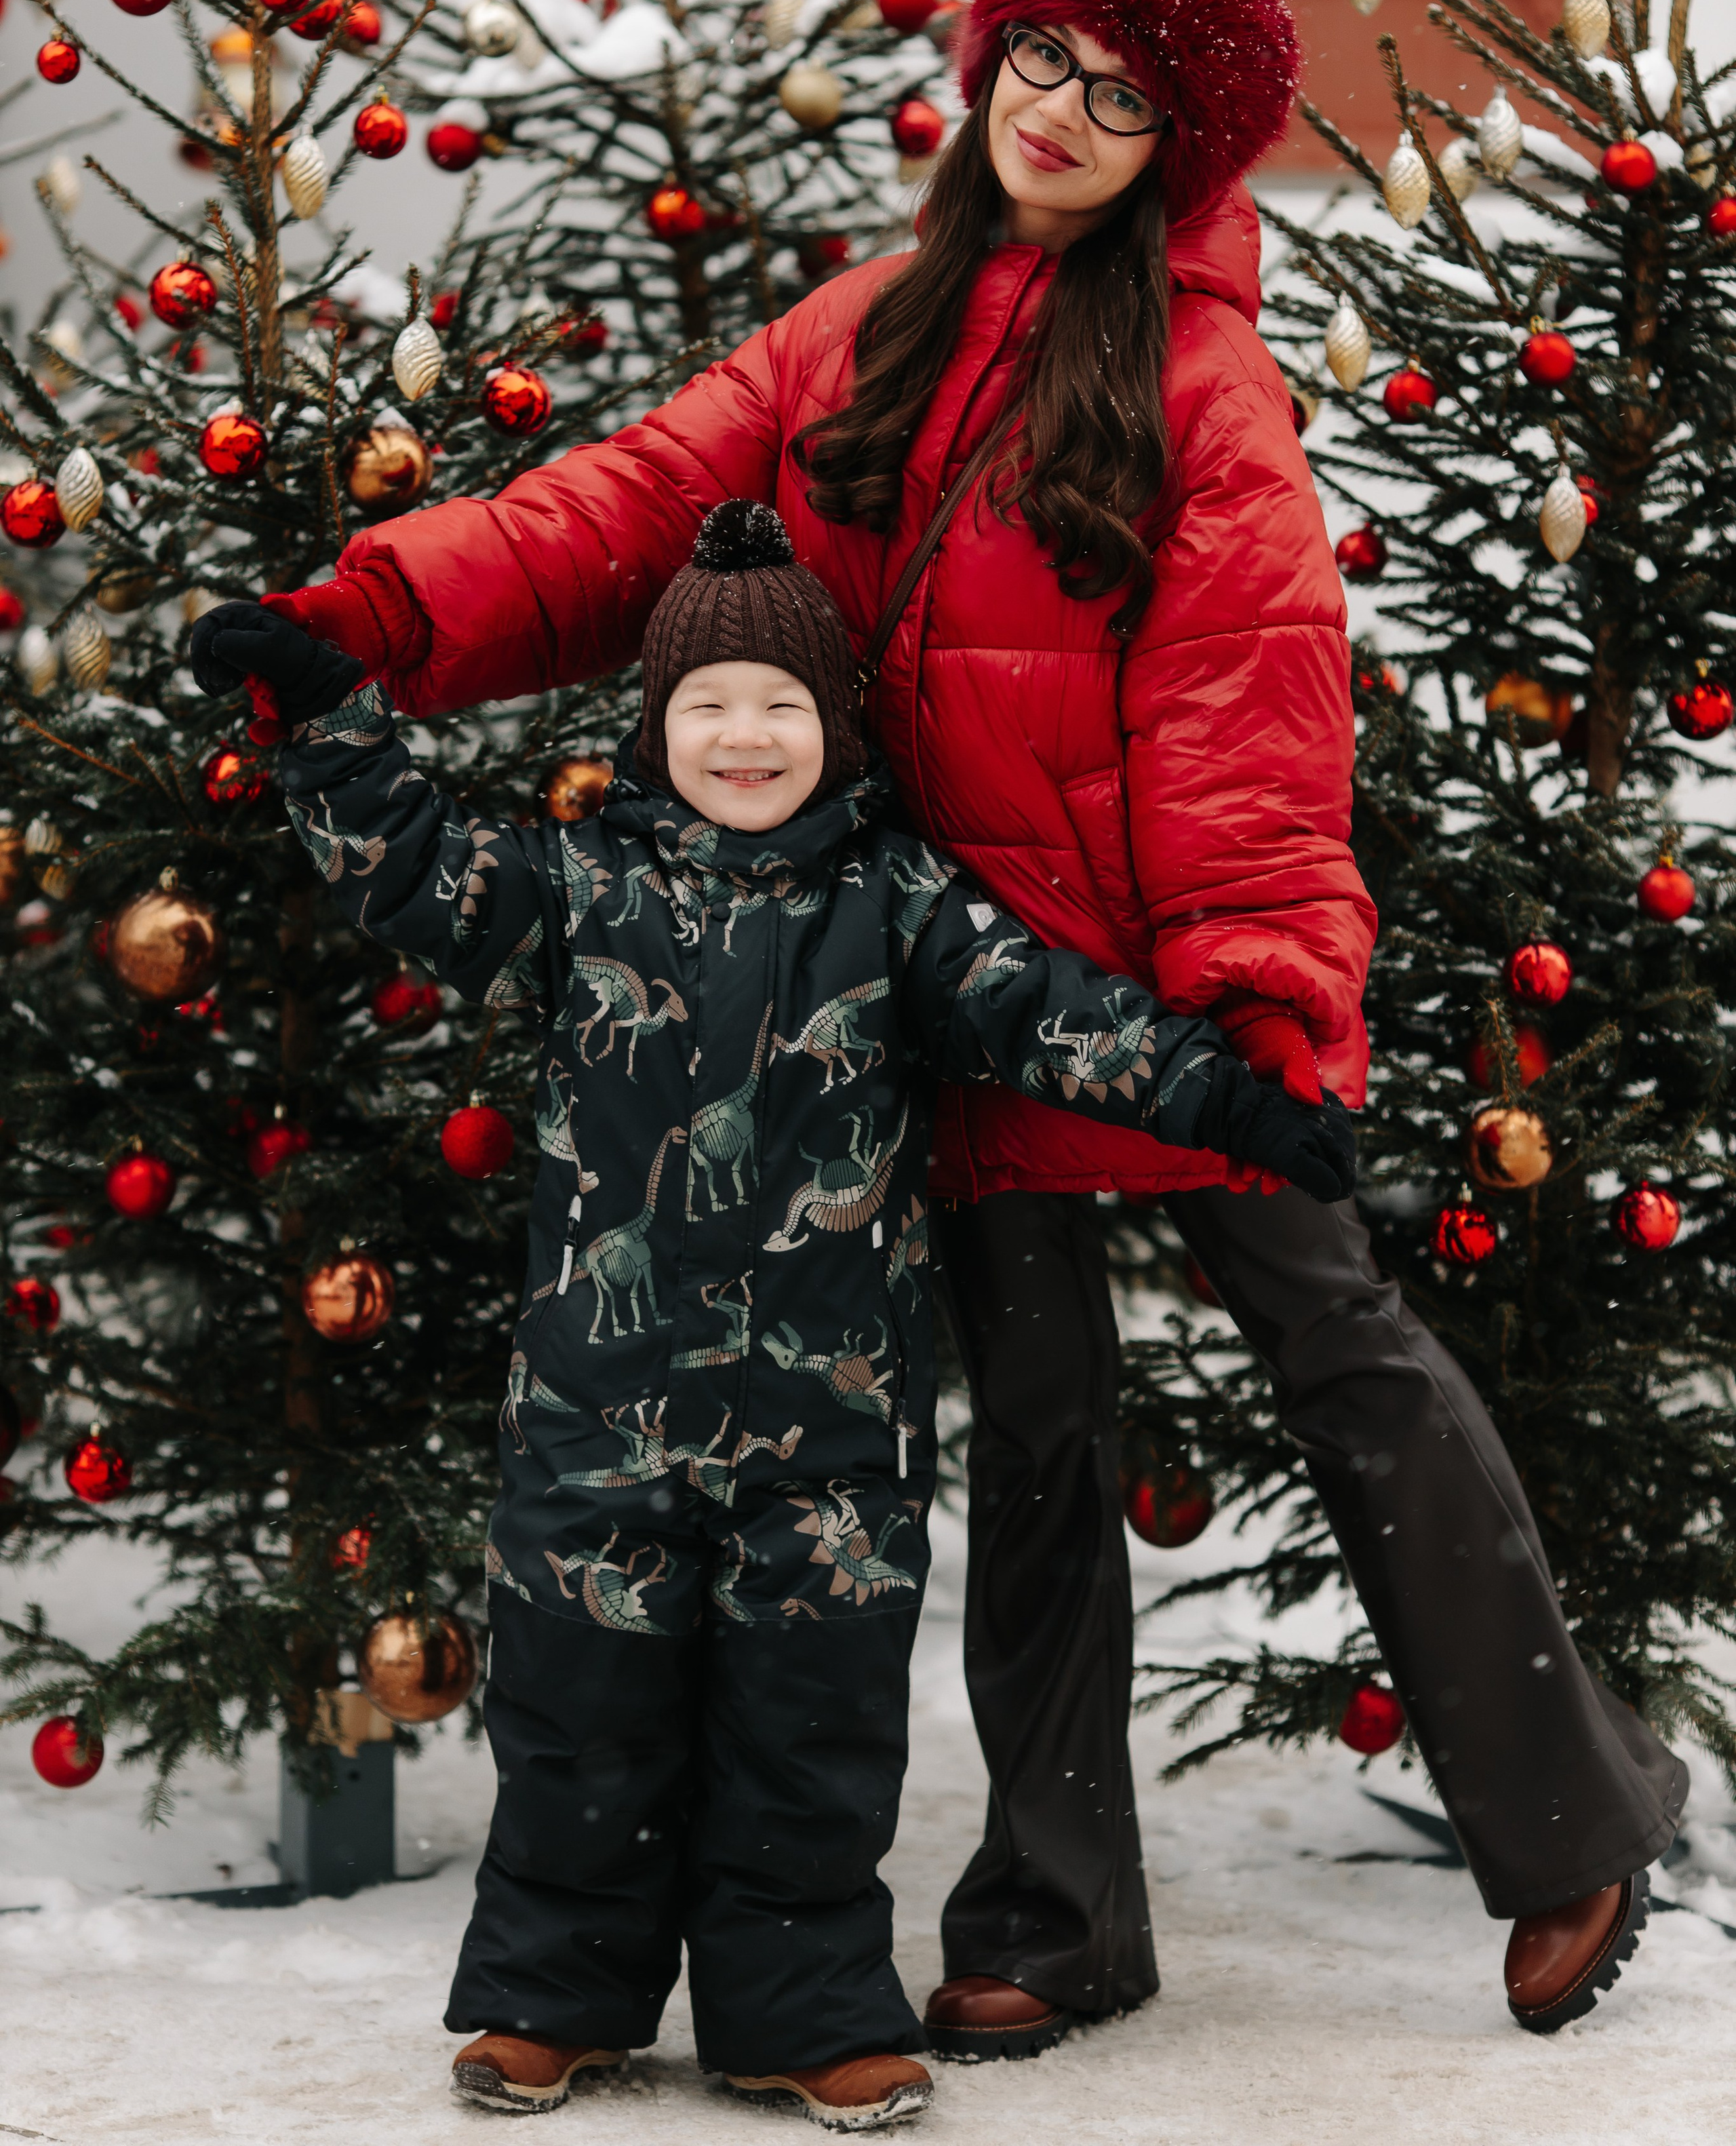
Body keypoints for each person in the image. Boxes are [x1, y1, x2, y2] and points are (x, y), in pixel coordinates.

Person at [259, 0, 1686, 2046]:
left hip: (1166, 1006)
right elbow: (630, 513)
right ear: (991, 59)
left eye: (1123, 96)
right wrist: (374, 614)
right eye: (1045, 58)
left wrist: (1262, 997)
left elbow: (1250, 704)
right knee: (1032, 1440)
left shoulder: (1204, 383)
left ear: (1173, 150)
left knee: (1353, 1364)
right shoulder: (866, 329)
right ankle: (1052, 1914)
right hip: (941, 985)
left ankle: (1572, 1824)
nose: (1064, 110)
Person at [193, 503, 1352, 2124]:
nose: (746, 737)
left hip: (830, 1430)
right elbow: (416, 868)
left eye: (782, 708)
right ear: (658, 726)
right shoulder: (573, 882)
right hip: (597, 1413)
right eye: (709, 707)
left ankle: (798, 2009)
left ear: (834, 727)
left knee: (809, 1731)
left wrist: (1231, 1100)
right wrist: (322, 716)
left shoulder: (901, 905)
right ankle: (552, 1992)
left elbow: (1053, 1018)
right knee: (579, 1720)